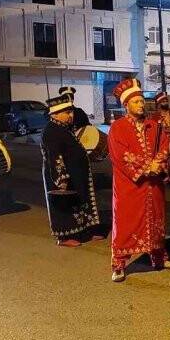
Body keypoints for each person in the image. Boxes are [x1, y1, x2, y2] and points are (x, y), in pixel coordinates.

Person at [107, 78, 170, 282]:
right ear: (126, 105)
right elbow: (121, 156)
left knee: (156, 221)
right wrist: (148, 167)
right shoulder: (117, 128)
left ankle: (159, 258)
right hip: (130, 186)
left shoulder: (153, 126)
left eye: (142, 101)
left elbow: (164, 146)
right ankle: (119, 264)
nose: (141, 105)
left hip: (153, 185)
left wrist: (159, 163)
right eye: (136, 102)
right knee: (126, 223)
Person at [41, 93, 102, 247]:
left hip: (75, 174)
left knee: (79, 202)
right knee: (64, 205)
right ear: (55, 114)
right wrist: (62, 179)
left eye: (71, 112)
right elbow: (54, 157)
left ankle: (83, 232)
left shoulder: (63, 128)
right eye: (67, 112)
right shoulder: (51, 131)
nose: (71, 115)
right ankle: (64, 237)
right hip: (63, 176)